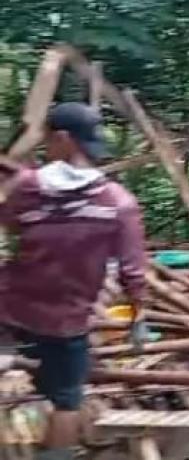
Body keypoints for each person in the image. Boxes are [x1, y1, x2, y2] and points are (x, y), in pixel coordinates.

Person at [0, 103, 147, 460]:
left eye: (48, 140)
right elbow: (133, 271)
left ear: (62, 139)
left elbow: (10, 224)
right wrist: (138, 317)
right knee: (66, 401)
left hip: (10, 306)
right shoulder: (118, 203)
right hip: (66, 318)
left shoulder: (26, 187)